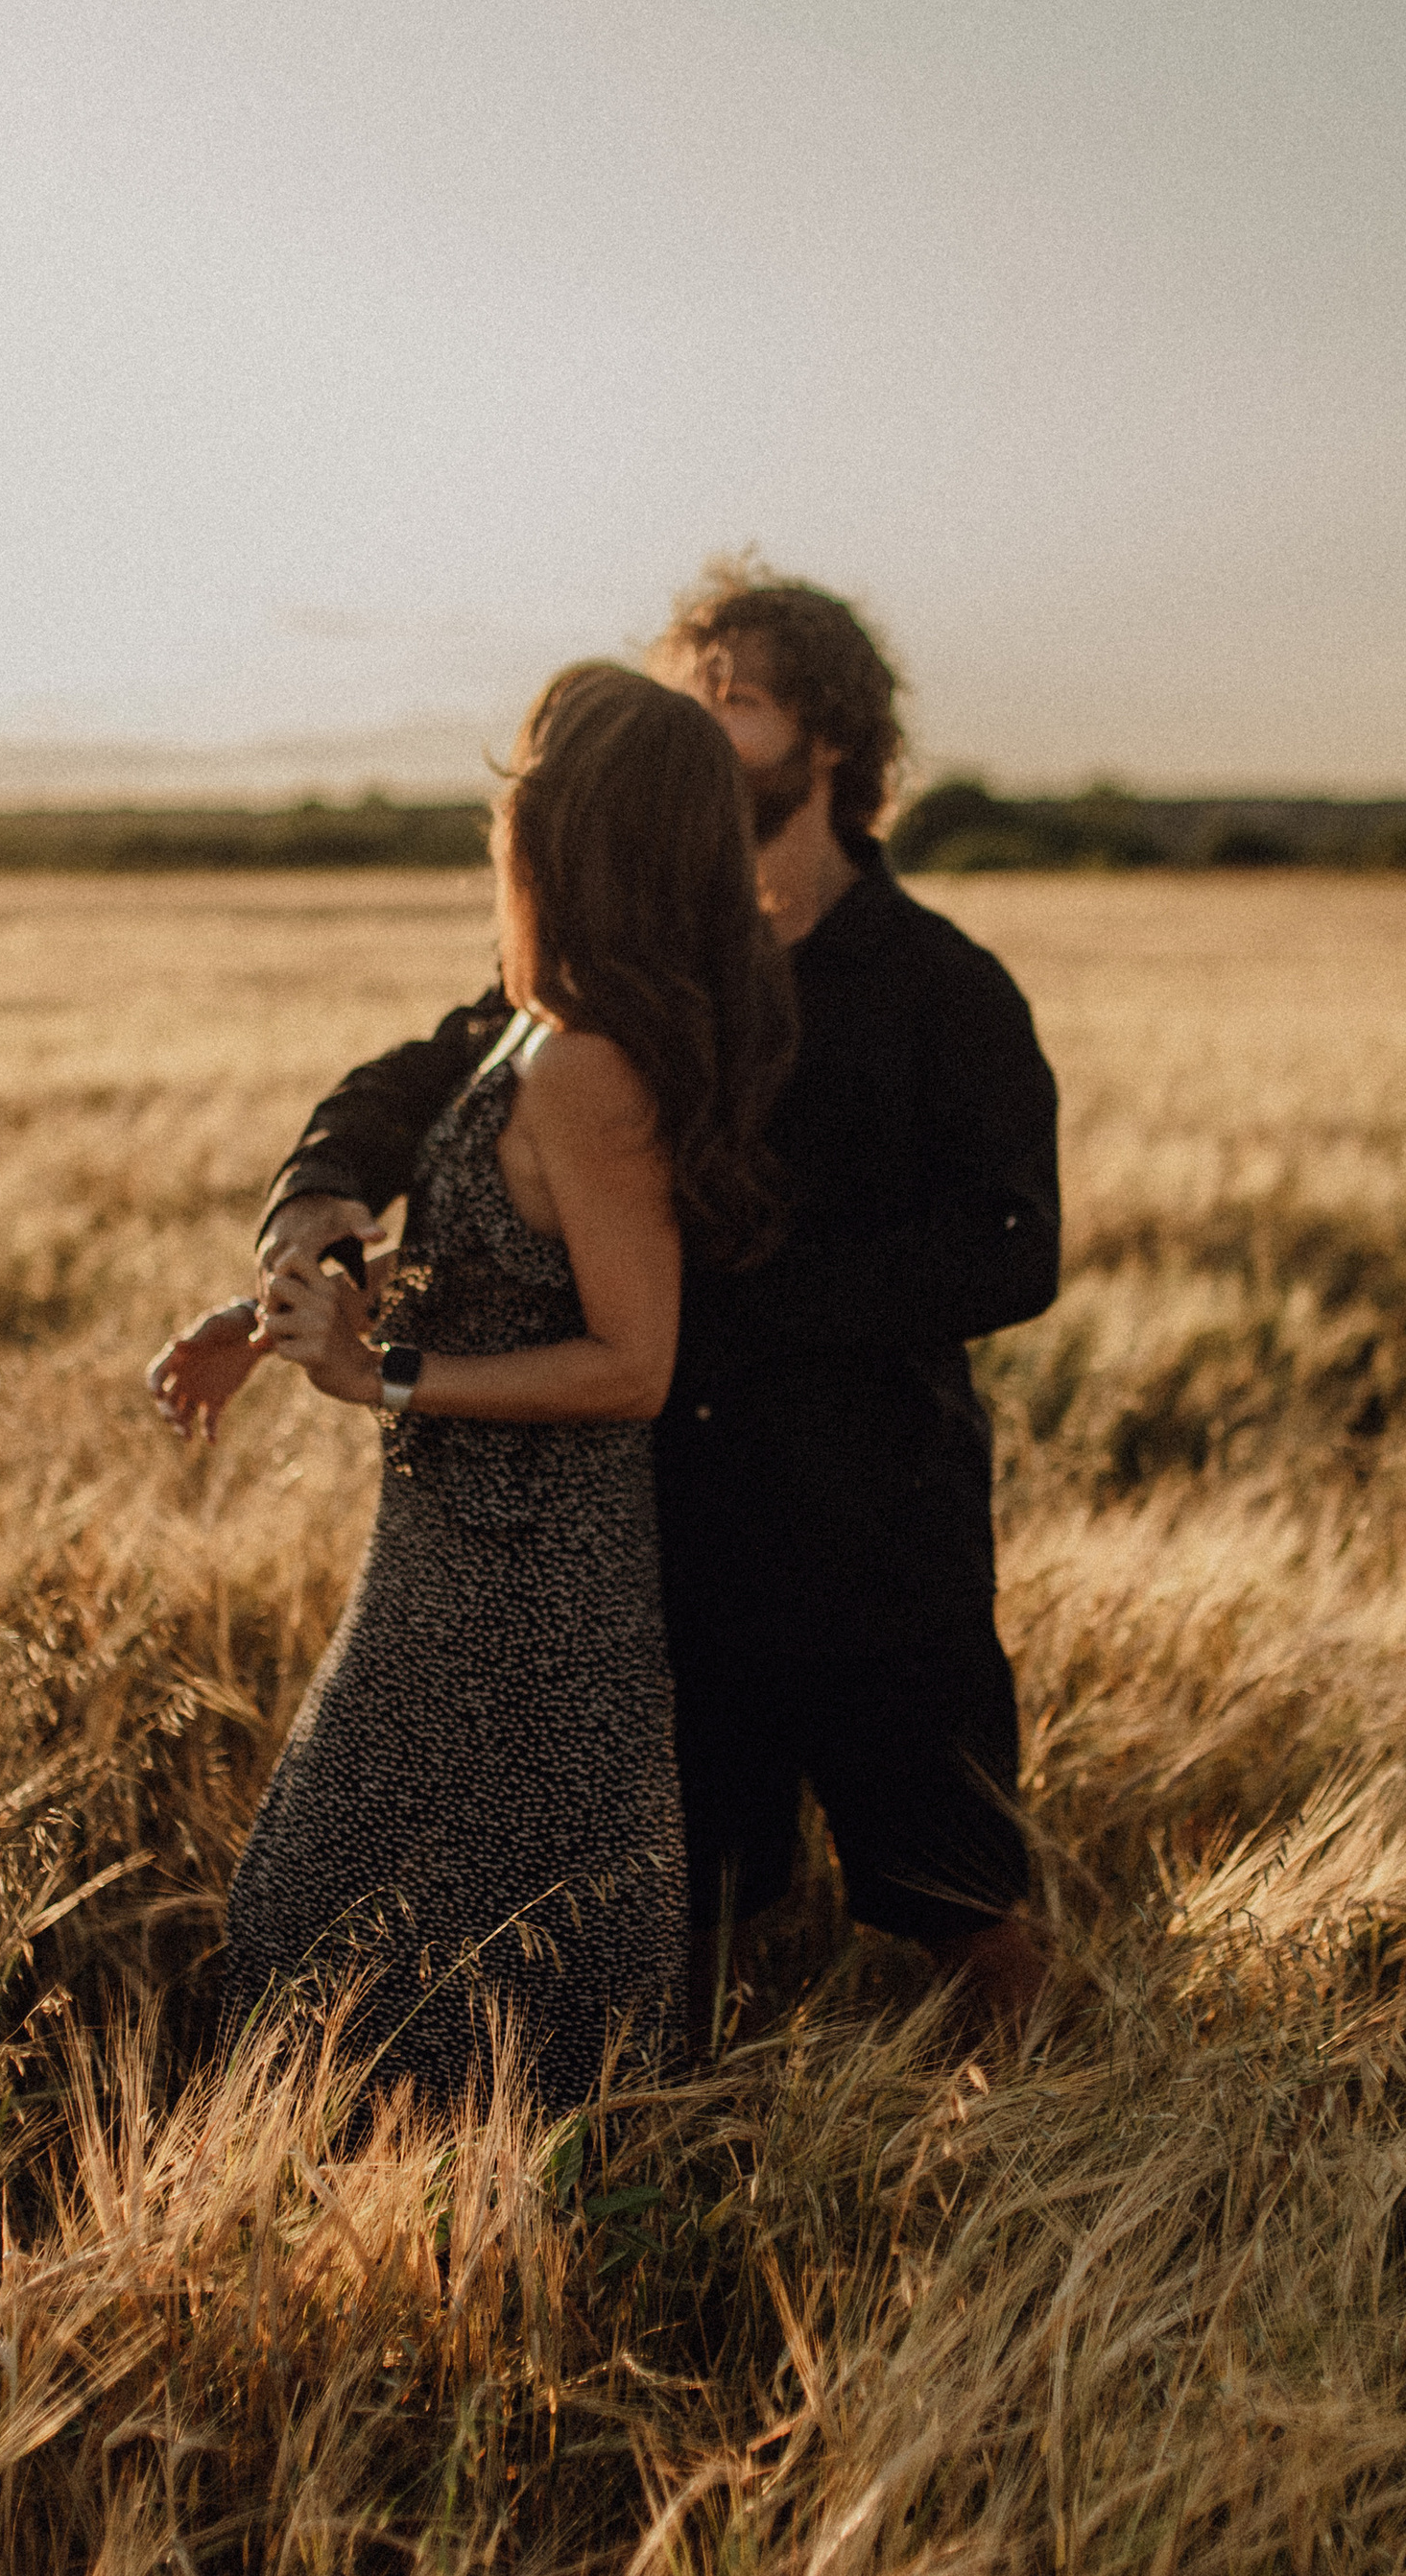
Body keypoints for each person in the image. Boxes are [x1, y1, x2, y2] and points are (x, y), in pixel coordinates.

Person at [151, 567, 1060, 2034]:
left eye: (738, 702)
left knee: (956, 1894)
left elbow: (1015, 1250)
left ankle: (1042, 2164)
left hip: (871, 1528)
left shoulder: (942, 989)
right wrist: (313, 1223)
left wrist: (725, 1294)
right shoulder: (614, 972)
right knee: (683, 1912)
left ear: (830, 741)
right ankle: (677, 2169)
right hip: (673, 1528)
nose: (699, 728)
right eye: (688, 698)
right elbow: (422, 1088)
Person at [170, 663, 793, 2111]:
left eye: (521, 795)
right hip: (456, 1552)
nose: (496, 822)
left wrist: (382, 1375)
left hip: (532, 1582)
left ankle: (488, 2245)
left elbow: (635, 1363)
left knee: (427, 1931)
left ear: (566, 836)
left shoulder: (586, 1066)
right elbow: (509, 1266)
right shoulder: (534, 1023)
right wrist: (284, 1313)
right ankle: (423, 2232)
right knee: (356, 1919)